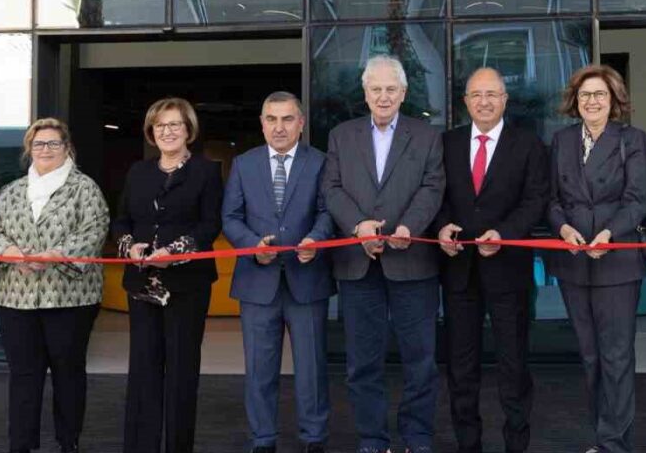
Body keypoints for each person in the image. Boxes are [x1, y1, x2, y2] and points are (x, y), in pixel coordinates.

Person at [322, 54, 445, 453]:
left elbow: (432, 187)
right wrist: (358, 226)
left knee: (420, 361)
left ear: (404, 93)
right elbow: (331, 188)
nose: (383, 96)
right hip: (358, 266)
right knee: (362, 364)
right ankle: (372, 440)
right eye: (375, 88)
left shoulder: (426, 135)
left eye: (391, 88)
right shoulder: (341, 135)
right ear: (365, 93)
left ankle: (417, 438)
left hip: (412, 263)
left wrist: (409, 227)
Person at [0, 118, 110, 453]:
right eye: (38, 144)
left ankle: (68, 442)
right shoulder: (12, 190)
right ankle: (20, 444)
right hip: (15, 298)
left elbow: (94, 231)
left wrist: (55, 255)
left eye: (53, 143)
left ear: (67, 148)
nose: (45, 149)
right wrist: (9, 252)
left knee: (68, 373)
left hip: (70, 299)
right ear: (29, 149)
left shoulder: (85, 189)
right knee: (23, 375)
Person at [435, 68, 549, 453]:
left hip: (509, 271)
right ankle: (468, 444)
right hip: (459, 271)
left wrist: (505, 232)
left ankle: (516, 444)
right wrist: (441, 227)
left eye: (492, 94)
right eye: (476, 95)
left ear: (505, 100)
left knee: (513, 367)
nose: (484, 102)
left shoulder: (528, 144)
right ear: (465, 101)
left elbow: (536, 200)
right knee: (461, 368)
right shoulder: (447, 143)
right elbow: (436, 195)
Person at [546, 64, 646, 453]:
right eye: (585, 94)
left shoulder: (632, 139)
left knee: (617, 357)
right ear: (575, 101)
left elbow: (637, 199)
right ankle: (602, 436)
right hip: (575, 263)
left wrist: (610, 233)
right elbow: (551, 199)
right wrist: (562, 228)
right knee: (590, 357)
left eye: (600, 94)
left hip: (616, 262)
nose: (592, 101)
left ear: (613, 100)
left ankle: (614, 444)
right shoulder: (561, 141)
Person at [223, 91, 335, 453]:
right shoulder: (244, 164)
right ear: (262, 124)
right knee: (259, 369)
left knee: (312, 369)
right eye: (271, 119)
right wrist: (252, 245)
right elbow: (230, 217)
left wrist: (316, 239)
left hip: (307, 279)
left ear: (301, 123)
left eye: (287, 119)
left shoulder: (321, 162)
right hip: (257, 282)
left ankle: (314, 438)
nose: (279, 127)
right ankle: (263, 439)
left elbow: (328, 211)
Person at [112, 97, 223, 453]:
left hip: (187, 285)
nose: (168, 131)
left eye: (175, 124)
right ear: (151, 131)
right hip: (141, 283)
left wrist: (174, 253)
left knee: (181, 372)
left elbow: (210, 225)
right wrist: (129, 246)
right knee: (143, 370)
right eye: (160, 125)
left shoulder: (206, 172)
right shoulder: (138, 172)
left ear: (188, 130)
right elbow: (121, 220)